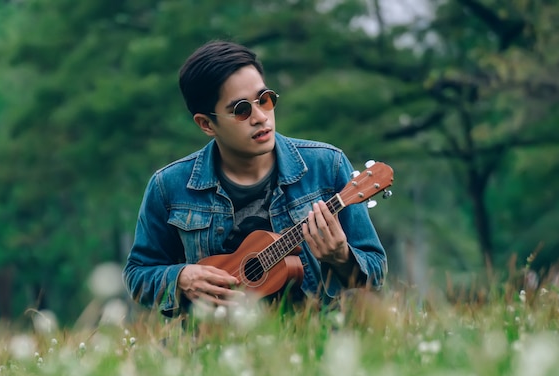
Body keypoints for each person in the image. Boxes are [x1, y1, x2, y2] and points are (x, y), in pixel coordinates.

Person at [123, 40, 387, 316]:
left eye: (265, 99)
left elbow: (376, 270)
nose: (261, 117)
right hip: (211, 347)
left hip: (312, 343)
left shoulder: (327, 166)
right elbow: (138, 275)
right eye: (241, 110)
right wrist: (181, 279)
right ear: (206, 124)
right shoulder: (169, 187)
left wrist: (342, 258)